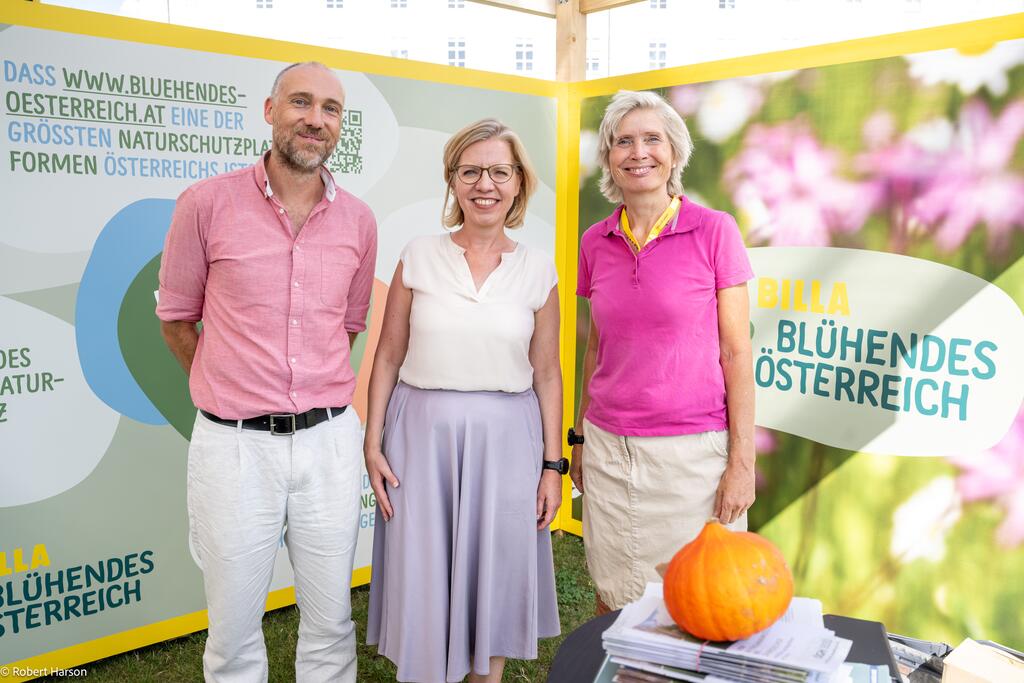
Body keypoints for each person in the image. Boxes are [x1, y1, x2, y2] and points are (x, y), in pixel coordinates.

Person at [156, 61, 377, 682]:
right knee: (232, 631)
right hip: (234, 447)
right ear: (270, 110)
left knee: (331, 621)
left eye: (330, 108)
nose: (316, 119)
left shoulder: (359, 220)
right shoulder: (206, 204)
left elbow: (348, 325)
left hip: (329, 443)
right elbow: (176, 319)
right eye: (301, 102)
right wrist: (229, 384)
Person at [364, 119, 563, 683]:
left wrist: (552, 467)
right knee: (423, 572)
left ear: (519, 182)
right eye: (471, 171)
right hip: (420, 439)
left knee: (495, 572)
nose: (485, 184)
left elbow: (548, 373)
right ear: (452, 180)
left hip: (508, 443)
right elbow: (387, 356)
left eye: (499, 171)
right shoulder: (418, 255)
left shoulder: (537, 268)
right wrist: (372, 443)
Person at [570, 90, 756, 613]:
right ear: (608, 157)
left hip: (691, 460)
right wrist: (580, 439)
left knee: (702, 602)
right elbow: (597, 346)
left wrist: (741, 462)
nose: (638, 152)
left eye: (652, 139)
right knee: (613, 595)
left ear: (674, 153)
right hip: (610, 450)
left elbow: (737, 353)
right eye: (623, 141)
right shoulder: (595, 240)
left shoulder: (715, 231)